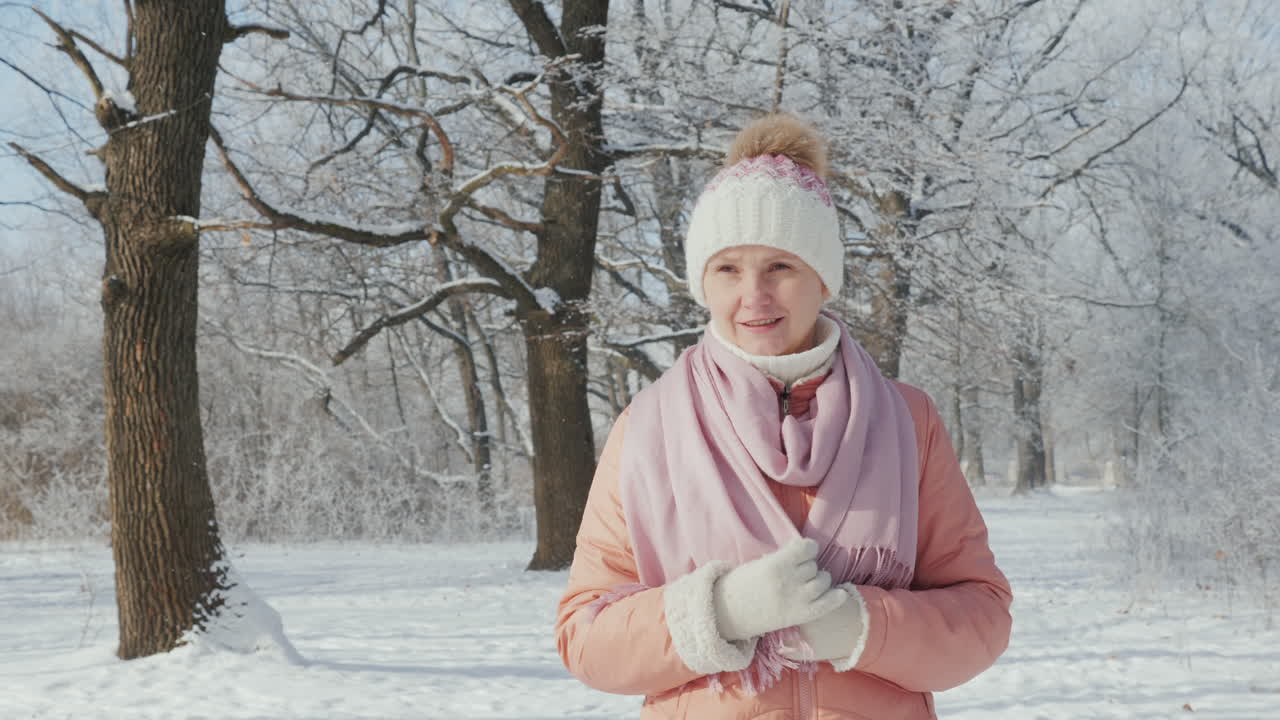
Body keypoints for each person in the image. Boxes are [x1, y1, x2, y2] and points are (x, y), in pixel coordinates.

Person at [556, 113, 1012, 719]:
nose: (754, 295)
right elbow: (584, 637)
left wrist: (861, 626)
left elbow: (981, 613)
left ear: (822, 278)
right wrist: (720, 613)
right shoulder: (647, 428)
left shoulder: (907, 420)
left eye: (780, 266)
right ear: (703, 282)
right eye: (728, 269)